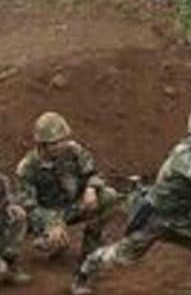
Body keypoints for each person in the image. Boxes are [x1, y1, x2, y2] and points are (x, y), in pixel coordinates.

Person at [70, 100, 191, 295]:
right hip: (158, 215)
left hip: (185, 216)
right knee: (125, 255)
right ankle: (87, 268)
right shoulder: (184, 155)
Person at [15, 113, 118, 270]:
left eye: (63, 140)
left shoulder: (73, 151)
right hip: (45, 215)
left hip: (72, 208)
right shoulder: (27, 168)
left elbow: (94, 173)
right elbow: (29, 206)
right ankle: (45, 242)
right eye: (55, 143)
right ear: (42, 145)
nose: (62, 145)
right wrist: (53, 222)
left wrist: (90, 188)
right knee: (52, 238)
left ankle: (90, 251)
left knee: (108, 196)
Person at [0, 173, 30, 287]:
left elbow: (9, 201)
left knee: (18, 215)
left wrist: (12, 206)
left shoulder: (2, 181)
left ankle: (11, 262)